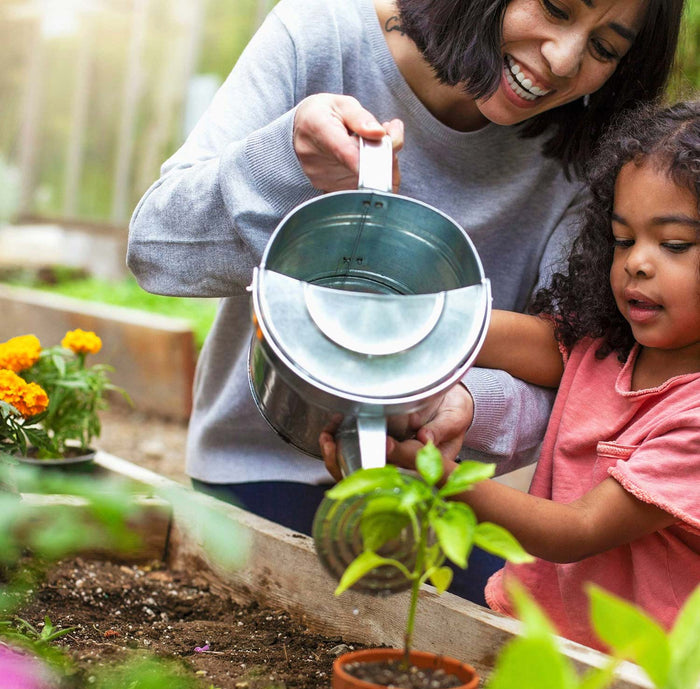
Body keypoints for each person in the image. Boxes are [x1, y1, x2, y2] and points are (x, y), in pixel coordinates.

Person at [127, 0, 685, 541]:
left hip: (432, 500)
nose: (563, 59)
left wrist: (464, 401)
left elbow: (575, 370)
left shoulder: (584, 161)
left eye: (605, 48)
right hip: (257, 469)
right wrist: (289, 161)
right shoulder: (324, 34)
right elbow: (156, 251)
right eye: (556, 9)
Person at [377, 99, 700, 649]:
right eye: (623, 239)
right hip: (527, 635)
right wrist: (406, 322)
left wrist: (432, 474)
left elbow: (577, 531)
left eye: (673, 244)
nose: (637, 262)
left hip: (634, 674)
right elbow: (505, 336)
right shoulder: (607, 348)